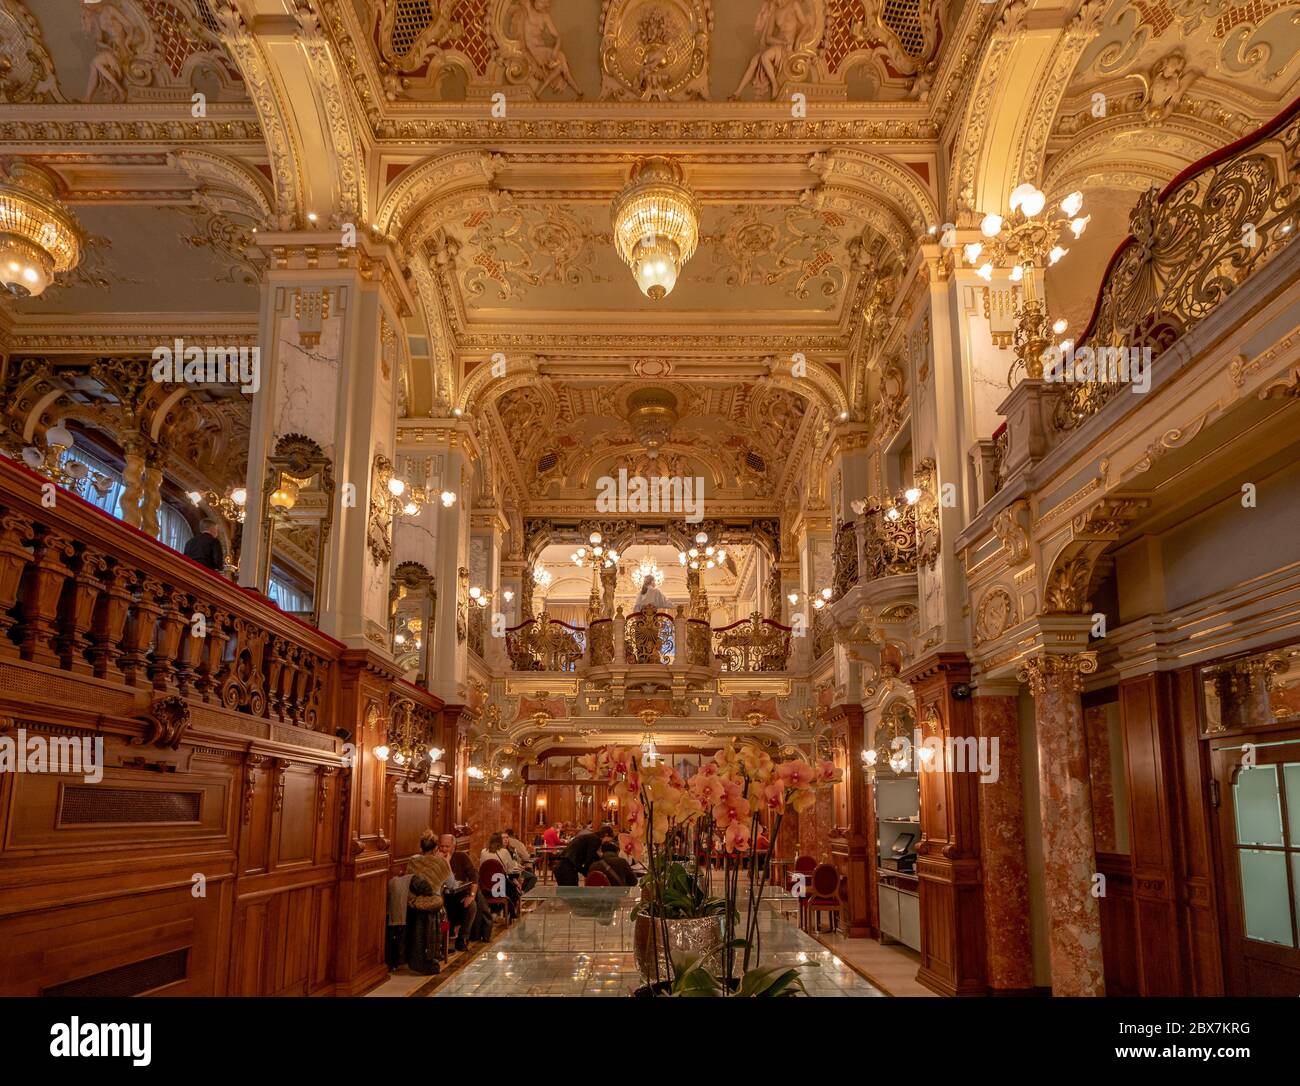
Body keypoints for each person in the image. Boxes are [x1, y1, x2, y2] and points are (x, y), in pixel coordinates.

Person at [435, 833, 483, 949]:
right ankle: (442, 942)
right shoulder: (435, 860)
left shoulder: (461, 857)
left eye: (447, 846)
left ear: (454, 846)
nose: (444, 849)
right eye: (442, 846)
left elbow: (474, 876)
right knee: (441, 912)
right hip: (442, 899)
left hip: (459, 897)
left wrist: (471, 895)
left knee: (472, 905)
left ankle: (462, 938)